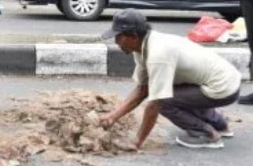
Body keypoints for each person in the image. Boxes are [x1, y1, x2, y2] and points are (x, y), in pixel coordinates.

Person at [99, 9, 241, 149]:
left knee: (165, 101)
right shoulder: (143, 46)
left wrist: (137, 141)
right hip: (223, 81)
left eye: (119, 36)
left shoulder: (157, 54)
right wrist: (113, 116)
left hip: (224, 88)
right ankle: (220, 125)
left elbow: (155, 103)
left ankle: (207, 134)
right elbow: (143, 89)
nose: (116, 41)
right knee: (168, 92)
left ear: (133, 36)